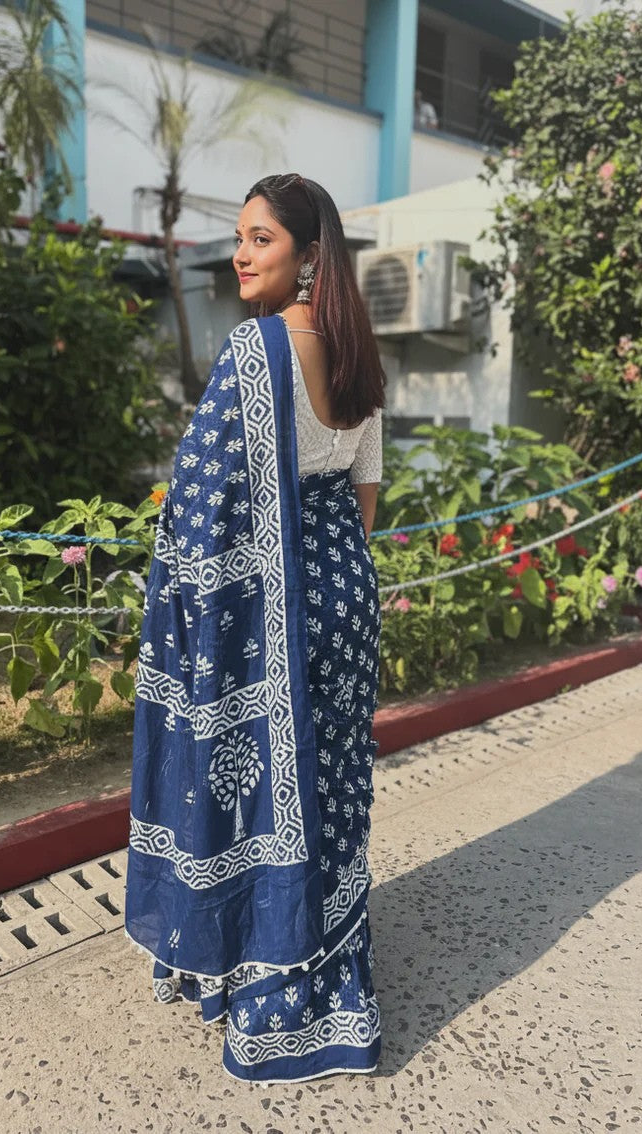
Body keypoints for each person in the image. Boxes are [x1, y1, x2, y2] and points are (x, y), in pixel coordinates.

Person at [124, 173, 386, 1083]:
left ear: (307, 255)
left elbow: (198, 509)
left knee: (266, 791)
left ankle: (262, 980)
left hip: (275, 608)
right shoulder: (359, 354)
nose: (240, 253)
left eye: (260, 238)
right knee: (330, 790)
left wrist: (208, 594)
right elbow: (365, 501)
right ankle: (332, 969)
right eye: (239, 237)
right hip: (345, 600)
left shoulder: (255, 350)